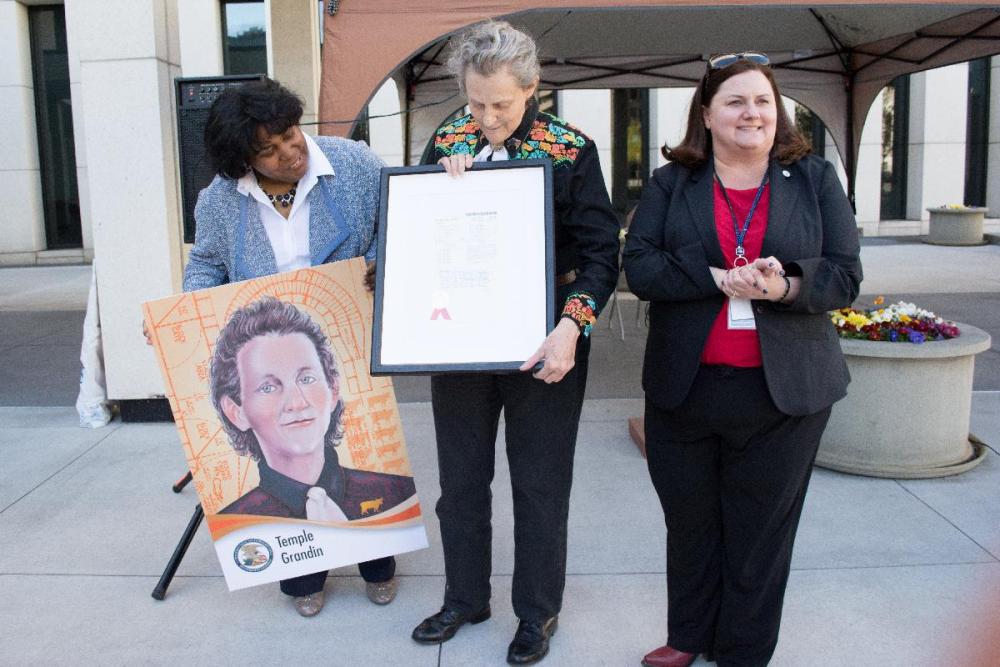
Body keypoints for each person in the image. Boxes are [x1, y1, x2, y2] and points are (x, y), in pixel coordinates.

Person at [622, 53, 862, 667]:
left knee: (759, 535)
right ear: (707, 113)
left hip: (784, 395)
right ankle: (688, 636)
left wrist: (783, 287)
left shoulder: (813, 179)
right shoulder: (671, 183)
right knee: (691, 524)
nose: (750, 112)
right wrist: (713, 278)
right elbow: (641, 267)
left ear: (776, 111)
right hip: (686, 389)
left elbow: (844, 276)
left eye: (761, 100)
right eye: (734, 100)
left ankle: (742, 651)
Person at [409, 20, 620, 666]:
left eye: (500, 103)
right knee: (461, 483)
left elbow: (601, 255)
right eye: (475, 102)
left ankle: (536, 611)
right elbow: (417, 235)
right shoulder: (447, 138)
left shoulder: (570, 149)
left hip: (544, 343)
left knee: (539, 485)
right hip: (463, 342)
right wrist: (439, 187)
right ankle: (465, 596)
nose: (486, 116)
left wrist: (572, 327)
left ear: (532, 88)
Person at [181, 78, 395, 617]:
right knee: (288, 459)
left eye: (291, 134)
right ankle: (303, 576)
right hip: (269, 343)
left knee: (365, 451)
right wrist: (188, 311)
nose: (290, 152)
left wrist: (381, 266)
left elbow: (399, 227)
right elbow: (206, 262)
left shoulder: (355, 164)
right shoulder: (220, 201)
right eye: (269, 151)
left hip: (345, 331)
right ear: (243, 163)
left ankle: (377, 561)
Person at [211, 297, 415, 521]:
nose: (297, 402)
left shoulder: (396, 495)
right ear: (236, 412)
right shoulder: (235, 524)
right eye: (267, 387)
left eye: (307, 378)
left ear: (333, 389)